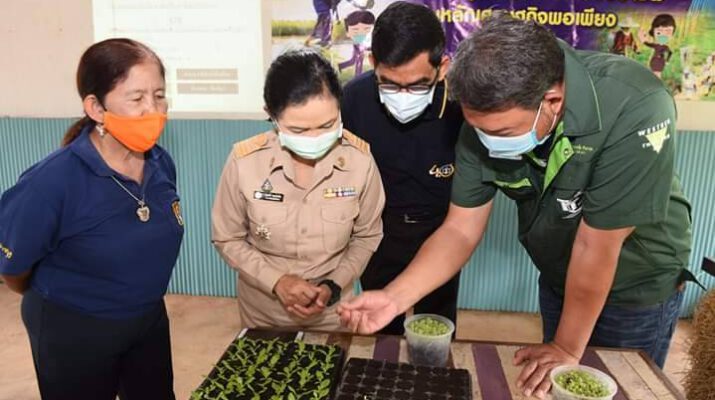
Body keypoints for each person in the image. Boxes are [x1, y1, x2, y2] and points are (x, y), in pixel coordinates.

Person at [339, 14, 693, 399]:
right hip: (560, 275)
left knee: (618, 386)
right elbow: (459, 229)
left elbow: (596, 244)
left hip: (636, 285)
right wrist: (394, 298)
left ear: (552, 101)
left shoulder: (635, 103)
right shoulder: (482, 120)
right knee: (555, 385)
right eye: (478, 130)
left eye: (501, 133)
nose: (488, 142)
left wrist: (566, 346)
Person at [0, 38, 183, 400]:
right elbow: (14, 269)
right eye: (137, 98)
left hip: (147, 319)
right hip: (74, 329)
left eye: (159, 95)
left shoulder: (161, 163)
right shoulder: (52, 182)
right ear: (96, 108)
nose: (153, 110)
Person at [212, 49, 385, 330]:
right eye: (299, 130)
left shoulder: (360, 161)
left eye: (327, 125)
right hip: (263, 314)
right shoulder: (245, 162)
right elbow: (228, 238)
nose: (316, 138)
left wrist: (333, 284)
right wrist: (277, 282)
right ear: (271, 115)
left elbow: (367, 237)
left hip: (332, 313)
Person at [340, 1, 464, 335]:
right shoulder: (354, 100)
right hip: (378, 231)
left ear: (442, 67)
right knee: (380, 325)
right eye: (390, 84)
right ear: (373, 63)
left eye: (419, 85)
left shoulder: (460, 106)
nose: (403, 96)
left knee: (436, 327)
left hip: (441, 231)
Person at [337, 10, 375, 76]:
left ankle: (340, 66)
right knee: (358, 61)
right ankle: (357, 76)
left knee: (353, 61)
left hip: (359, 45)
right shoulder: (358, 37)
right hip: (359, 45)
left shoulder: (368, 35)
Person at [639, 14, 676, 78]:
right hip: (654, 61)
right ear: (653, 32)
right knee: (653, 73)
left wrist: (667, 60)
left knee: (657, 74)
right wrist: (643, 40)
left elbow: (670, 53)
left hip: (660, 62)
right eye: (659, 33)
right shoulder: (657, 46)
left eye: (668, 33)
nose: (663, 36)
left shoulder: (665, 47)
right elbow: (649, 44)